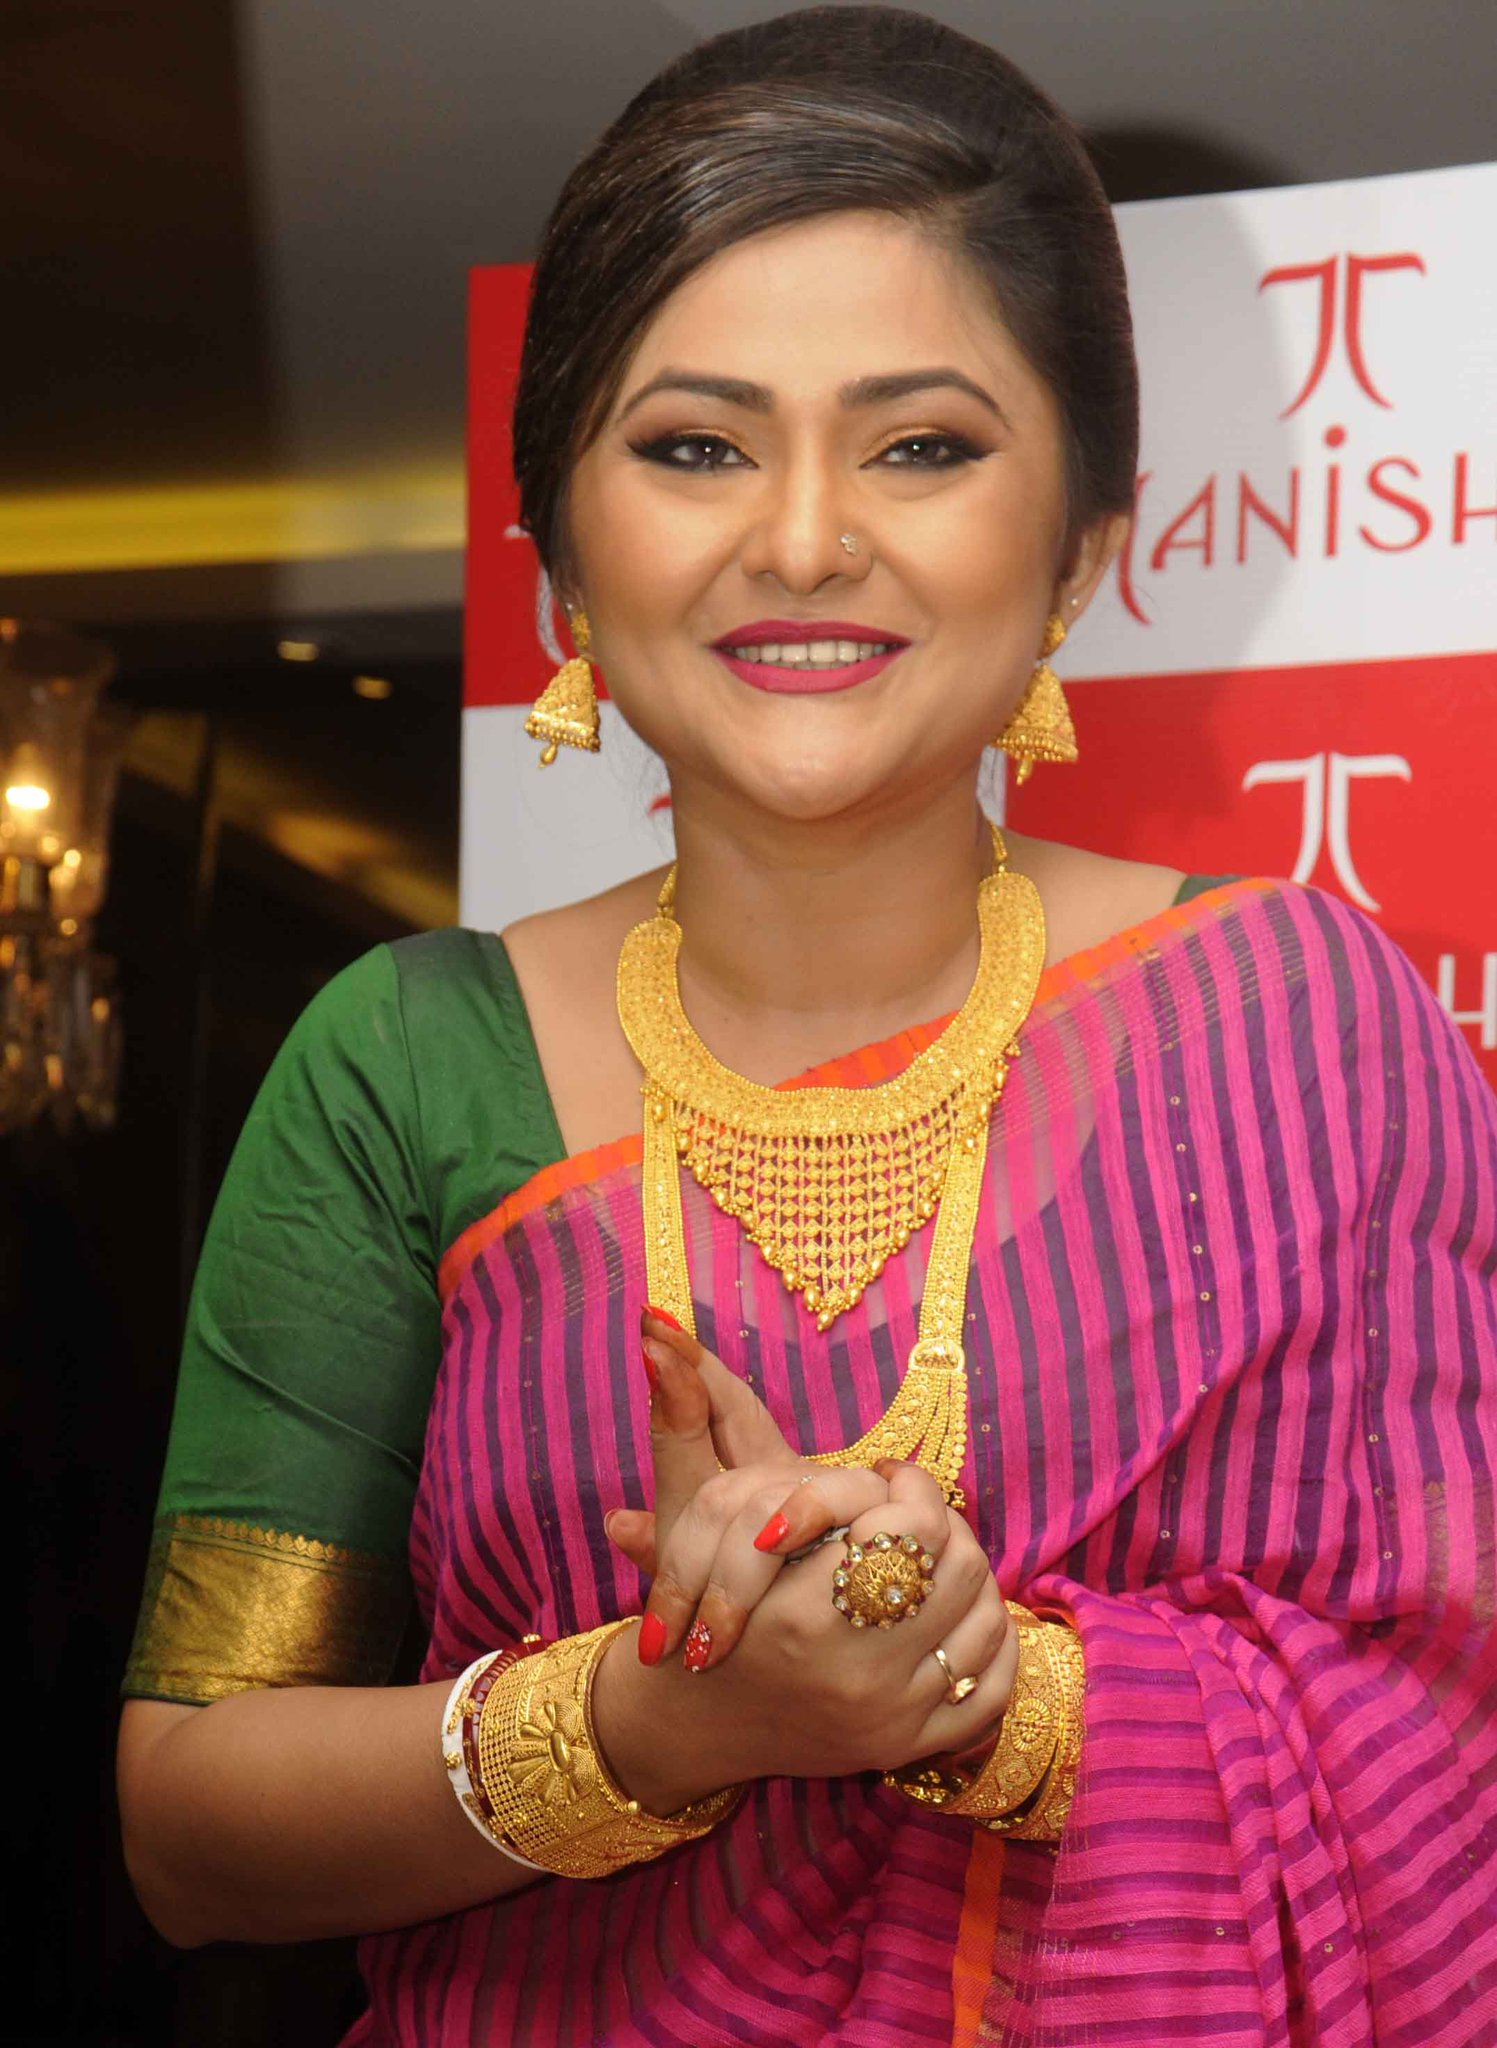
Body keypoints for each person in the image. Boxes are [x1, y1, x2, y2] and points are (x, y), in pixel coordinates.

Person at [118, 9, 1497, 2043]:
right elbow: (191, 1823)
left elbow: (1450, 1736)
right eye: (695, 444)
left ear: (1082, 545)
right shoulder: (403, 1065)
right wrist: (648, 1722)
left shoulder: (1306, 1027)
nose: (797, 539)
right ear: (558, 549)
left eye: (919, 444)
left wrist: (1000, 1697)